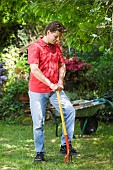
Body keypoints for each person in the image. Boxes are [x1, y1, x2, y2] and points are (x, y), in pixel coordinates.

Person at [28, 20, 80, 162]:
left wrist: (60, 81)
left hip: (54, 89)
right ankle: (39, 153)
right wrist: (50, 83)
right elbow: (34, 70)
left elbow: (62, 65)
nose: (58, 39)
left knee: (69, 111)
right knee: (39, 123)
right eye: (56, 36)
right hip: (38, 91)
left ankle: (65, 145)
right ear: (48, 32)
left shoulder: (56, 47)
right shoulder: (35, 47)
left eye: (59, 37)